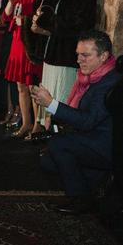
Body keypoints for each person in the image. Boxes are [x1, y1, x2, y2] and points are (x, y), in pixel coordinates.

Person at [32, 30, 120, 214]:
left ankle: (80, 199)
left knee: (58, 146)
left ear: (103, 56)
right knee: (47, 160)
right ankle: (96, 183)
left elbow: (88, 121)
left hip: (107, 146)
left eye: (85, 55)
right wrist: (54, 114)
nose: (79, 60)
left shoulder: (109, 82)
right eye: (78, 54)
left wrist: (52, 104)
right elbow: (82, 112)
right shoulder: (90, 77)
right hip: (91, 137)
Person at [33, 0, 96, 131]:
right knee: (50, 94)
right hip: (52, 51)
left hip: (68, 53)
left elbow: (78, 23)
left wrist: (47, 21)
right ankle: (50, 134)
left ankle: (61, 135)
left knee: (63, 97)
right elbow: (45, 9)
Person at [3, 0, 43, 138]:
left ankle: (37, 125)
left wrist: (24, 21)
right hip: (18, 45)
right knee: (21, 87)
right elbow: (5, 17)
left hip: (32, 46)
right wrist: (9, 1)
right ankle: (26, 123)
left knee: (33, 86)